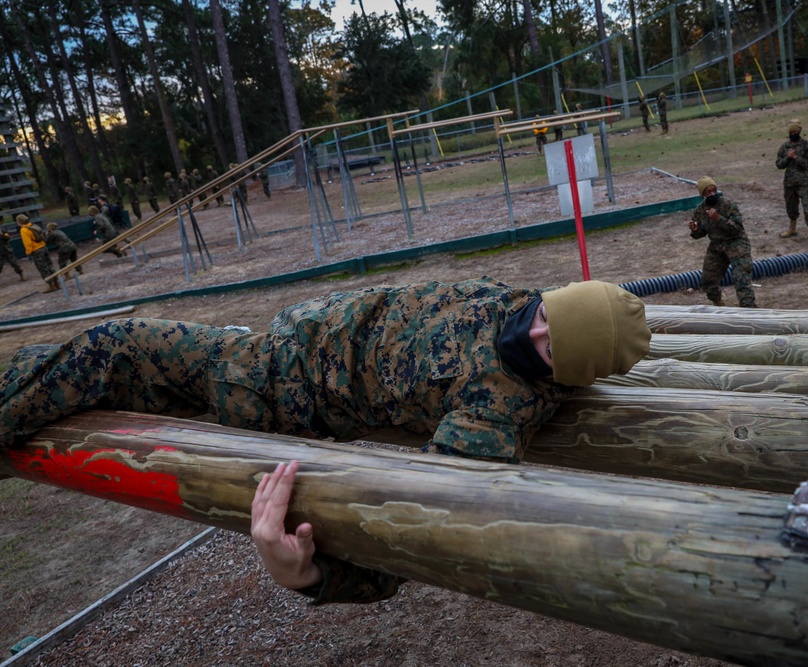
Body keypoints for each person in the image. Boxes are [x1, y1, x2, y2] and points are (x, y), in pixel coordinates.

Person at [0, 279, 650, 602]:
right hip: (275, 344)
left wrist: (309, 574)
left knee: (111, 349)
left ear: (566, 373)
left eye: (553, 350)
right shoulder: (515, 301)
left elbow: (416, 532)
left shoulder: (495, 409)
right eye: (547, 319)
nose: (533, 337)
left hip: (270, 382)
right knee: (60, 366)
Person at [688, 177, 756, 308]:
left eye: (714, 190)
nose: (712, 194)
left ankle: (749, 310)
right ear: (702, 194)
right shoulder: (700, 211)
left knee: (741, 279)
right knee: (708, 280)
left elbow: (736, 229)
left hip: (736, 243)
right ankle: (718, 304)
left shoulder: (728, 205)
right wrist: (695, 230)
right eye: (708, 192)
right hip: (717, 246)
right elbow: (700, 234)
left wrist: (718, 218)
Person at [775, 120, 808, 245]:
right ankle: (792, 228)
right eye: (791, 132)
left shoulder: (807, 146)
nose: (793, 134)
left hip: (804, 182)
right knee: (791, 207)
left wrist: (796, 158)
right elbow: (779, 164)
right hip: (789, 183)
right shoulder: (784, 147)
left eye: (795, 131)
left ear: (799, 132)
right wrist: (787, 158)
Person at [16, 214, 57, 292]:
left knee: (42, 268)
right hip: (43, 247)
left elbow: (28, 243)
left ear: (19, 222)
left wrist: (28, 253)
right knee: (49, 265)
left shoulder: (24, 230)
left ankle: (51, 285)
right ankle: (57, 282)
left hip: (36, 251)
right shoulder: (33, 225)